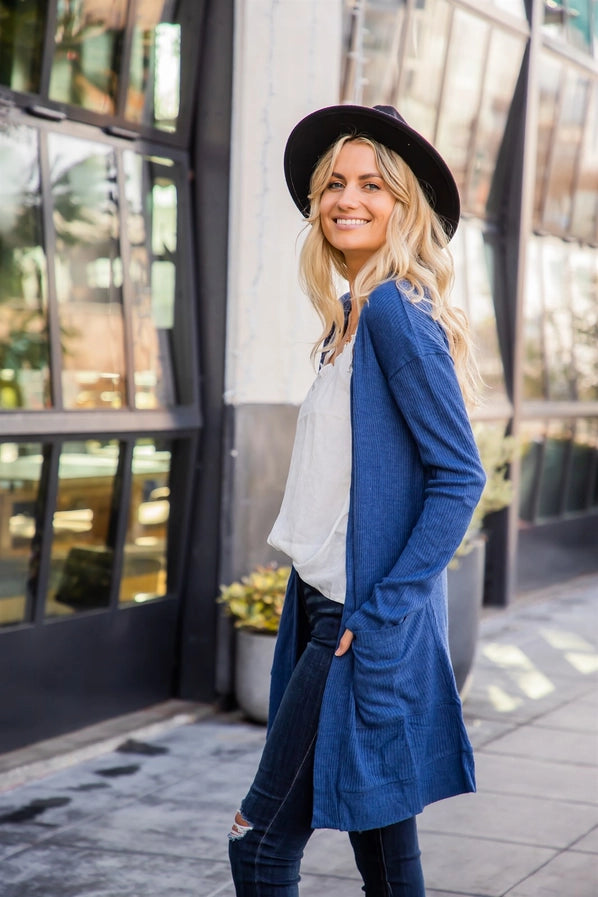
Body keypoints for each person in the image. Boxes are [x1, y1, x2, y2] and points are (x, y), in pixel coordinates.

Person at [228, 104, 486, 896]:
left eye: (373, 184)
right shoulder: (348, 317)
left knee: (260, 843)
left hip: (353, 618)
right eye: (334, 182)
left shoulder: (391, 317)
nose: (348, 198)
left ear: (403, 205)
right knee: (384, 842)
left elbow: (459, 476)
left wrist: (380, 610)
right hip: (322, 606)